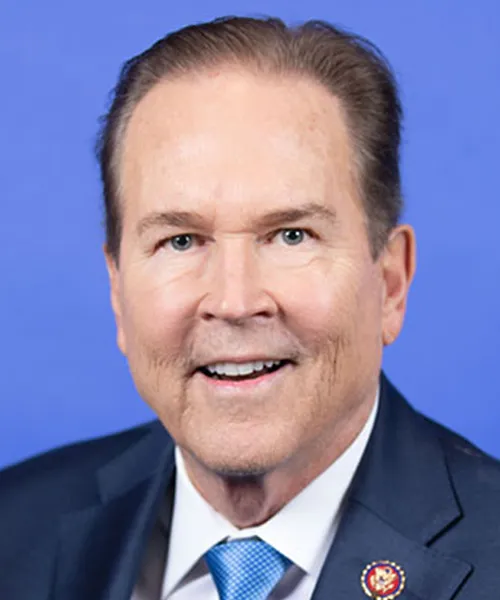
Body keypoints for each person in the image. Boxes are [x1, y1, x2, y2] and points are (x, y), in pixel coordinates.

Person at [0, 15, 499, 599]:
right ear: (118, 290)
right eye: (180, 241)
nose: (234, 302)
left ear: (390, 283)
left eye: (291, 236)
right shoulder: (15, 530)